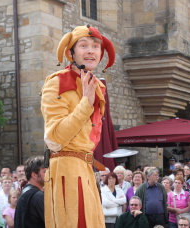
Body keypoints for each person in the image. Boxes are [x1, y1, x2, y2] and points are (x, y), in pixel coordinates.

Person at [41, 24, 115, 228]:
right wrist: (86, 103)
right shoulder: (58, 82)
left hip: (86, 168)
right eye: (83, 45)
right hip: (67, 168)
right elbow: (55, 138)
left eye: (95, 46)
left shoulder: (96, 85)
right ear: (71, 52)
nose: (91, 50)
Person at [14, 156, 46, 228]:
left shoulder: (25, 191)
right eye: (45, 171)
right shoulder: (37, 195)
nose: (48, 174)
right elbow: (51, 222)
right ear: (34, 174)